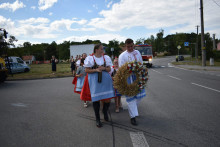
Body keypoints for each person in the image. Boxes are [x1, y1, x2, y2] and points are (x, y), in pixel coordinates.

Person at [80, 44, 115, 128]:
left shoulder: (106, 58)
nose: (103, 50)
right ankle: (98, 119)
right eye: (101, 48)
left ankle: (105, 111)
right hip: (94, 81)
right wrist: (96, 69)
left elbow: (110, 69)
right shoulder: (90, 58)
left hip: (106, 80)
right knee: (96, 100)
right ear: (96, 50)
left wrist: (104, 68)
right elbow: (86, 70)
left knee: (108, 99)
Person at [118, 38, 146, 126]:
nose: (130, 48)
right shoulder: (122, 56)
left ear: (133, 45)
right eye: (128, 46)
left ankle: (134, 111)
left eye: (131, 46)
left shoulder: (137, 52)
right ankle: (132, 117)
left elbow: (141, 63)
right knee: (130, 98)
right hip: (129, 78)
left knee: (139, 97)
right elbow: (121, 68)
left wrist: (141, 71)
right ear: (125, 46)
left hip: (138, 77)